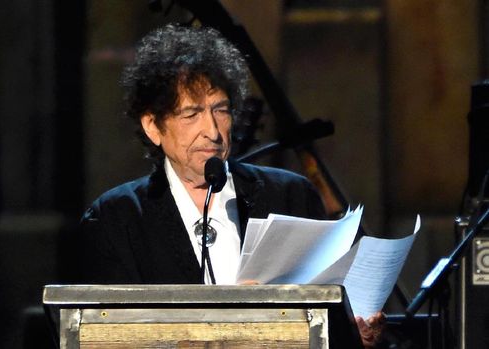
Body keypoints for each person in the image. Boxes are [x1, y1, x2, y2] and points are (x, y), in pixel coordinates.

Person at [73, 23, 384, 347]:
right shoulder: (115, 220)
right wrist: (236, 322)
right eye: (191, 114)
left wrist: (354, 332)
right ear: (153, 126)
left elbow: (327, 321)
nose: (212, 130)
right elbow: (111, 337)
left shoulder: (291, 196)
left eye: (220, 110)